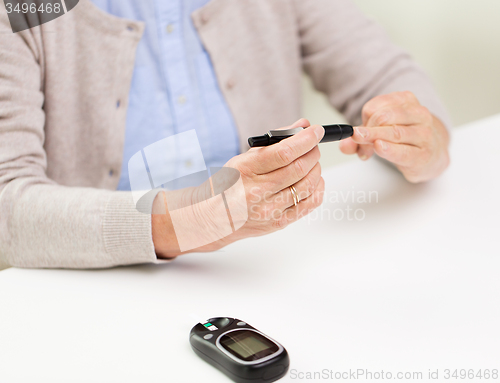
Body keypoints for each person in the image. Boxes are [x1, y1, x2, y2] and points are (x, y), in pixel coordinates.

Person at [0, 0, 450, 269]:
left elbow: (387, 75)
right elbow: (8, 205)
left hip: (268, 268)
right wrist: (186, 223)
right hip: (90, 289)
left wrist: (422, 134)